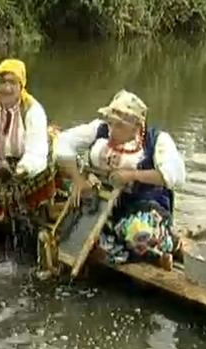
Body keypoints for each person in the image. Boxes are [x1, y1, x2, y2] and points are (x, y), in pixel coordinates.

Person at [56, 89, 186, 270]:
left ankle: (168, 245)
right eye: (110, 123)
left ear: (136, 126)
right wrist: (77, 179)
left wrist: (132, 175)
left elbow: (175, 177)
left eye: (119, 126)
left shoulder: (157, 140)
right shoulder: (99, 130)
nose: (111, 130)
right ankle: (152, 255)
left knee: (138, 232)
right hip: (106, 208)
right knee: (81, 233)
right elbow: (63, 141)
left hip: (144, 206)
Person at [0, 58, 59, 235]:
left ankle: (33, 217)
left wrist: (19, 172)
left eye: (12, 83)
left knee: (39, 172)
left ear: (21, 85)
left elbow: (36, 154)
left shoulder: (33, 110)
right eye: (3, 82)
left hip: (25, 169)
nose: (7, 88)